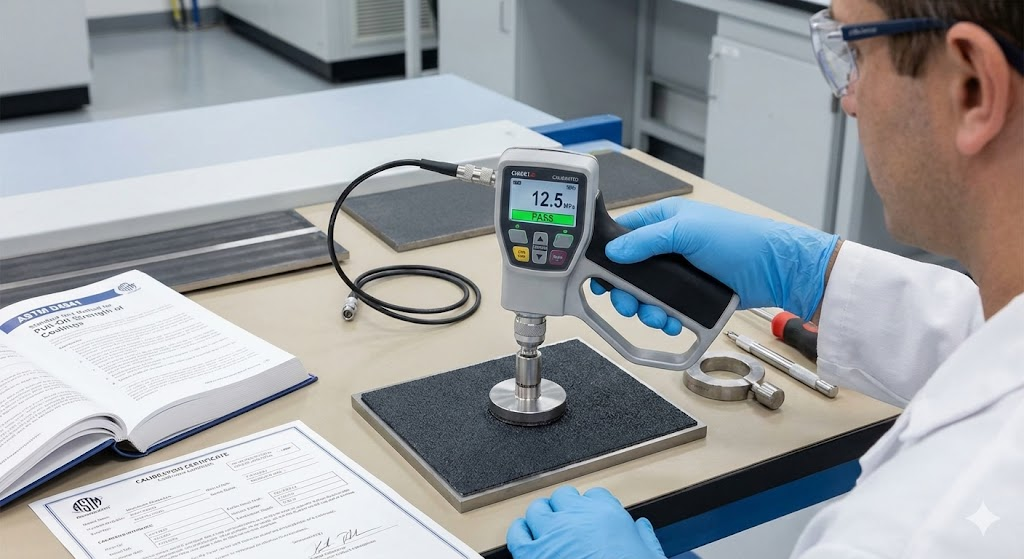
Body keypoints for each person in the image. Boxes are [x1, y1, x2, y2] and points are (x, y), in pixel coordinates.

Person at [505, 0, 1023, 557]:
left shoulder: (929, 526)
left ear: (972, 87)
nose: (846, 99)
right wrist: (812, 273)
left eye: (855, 54)